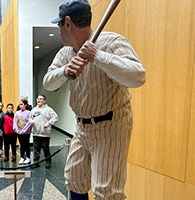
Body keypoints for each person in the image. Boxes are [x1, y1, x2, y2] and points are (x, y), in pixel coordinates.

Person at [43, 0, 146, 199]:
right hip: (82, 126)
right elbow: (48, 82)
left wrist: (97, 56)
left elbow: (138, 76)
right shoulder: (65, 53)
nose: (59, 32)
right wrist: (65, 70)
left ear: (68, 23)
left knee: (106, 191)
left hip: (111, 124)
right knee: (74, 178)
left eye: (59, 26)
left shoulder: (111, 41)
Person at [30, 94, 58, 169]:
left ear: (44, 101)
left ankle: (48, 161)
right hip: (36, 132)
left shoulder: (49, 109)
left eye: (41, 99)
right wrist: (31, 121)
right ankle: (36, 162)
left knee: (46, 148)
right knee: (36, 149)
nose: (39, 100)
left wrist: (48, 123)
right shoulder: (33, 110)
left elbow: (55, 117)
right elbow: (30, 118)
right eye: (38, 99)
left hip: (45, 133)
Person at [13, 98, 32, 165]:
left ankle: (28, 157)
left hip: (26, 132)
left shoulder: (29, 113)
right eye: (20, 104)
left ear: (25, 105)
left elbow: (29, 123)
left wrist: (24, 130)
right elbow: (15, 122)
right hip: (19, 132)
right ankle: (22, 157)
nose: (20, 106)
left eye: (22, 104)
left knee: (26, 144)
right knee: (21, 144)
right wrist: (16, 130)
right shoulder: (17, 113)